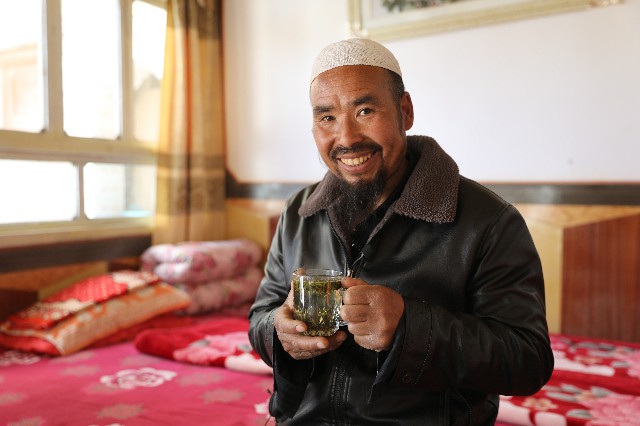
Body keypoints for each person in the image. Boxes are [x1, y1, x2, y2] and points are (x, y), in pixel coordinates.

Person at [248, 38, 553, 425]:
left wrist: (409, 328)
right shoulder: (298, 213)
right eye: (327, 118)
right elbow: (261, 316)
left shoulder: (489, 221)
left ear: (404, 111)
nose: (346, 138)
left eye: (365, 110)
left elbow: (528, 360)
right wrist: (279, 330)